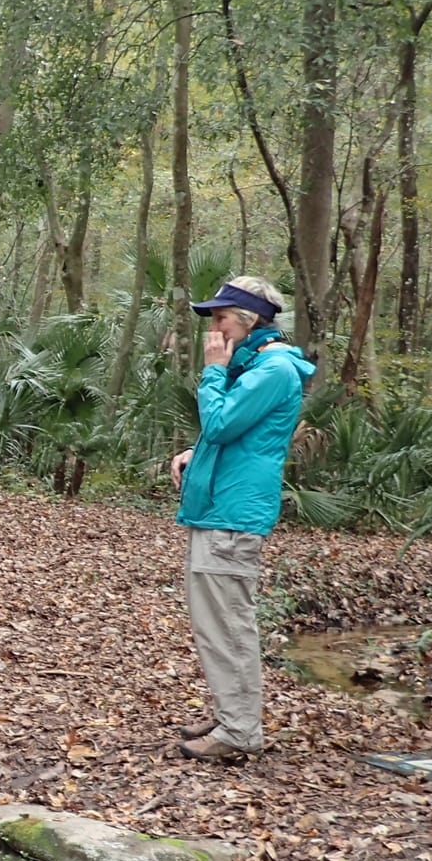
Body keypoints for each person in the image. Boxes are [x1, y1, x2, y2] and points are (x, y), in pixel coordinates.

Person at [167, 275, 315, 761]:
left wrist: (212, 371)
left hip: (232, 517)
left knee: (228, 625)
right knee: (215, 624)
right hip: (219, 508)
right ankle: (230, 714)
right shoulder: (255, 365)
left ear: (249, 321)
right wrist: (197, 453)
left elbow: (222, 421)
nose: (213, 327)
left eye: (220, 317)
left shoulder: (271, 370)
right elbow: (233, 434)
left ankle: (238, 731)